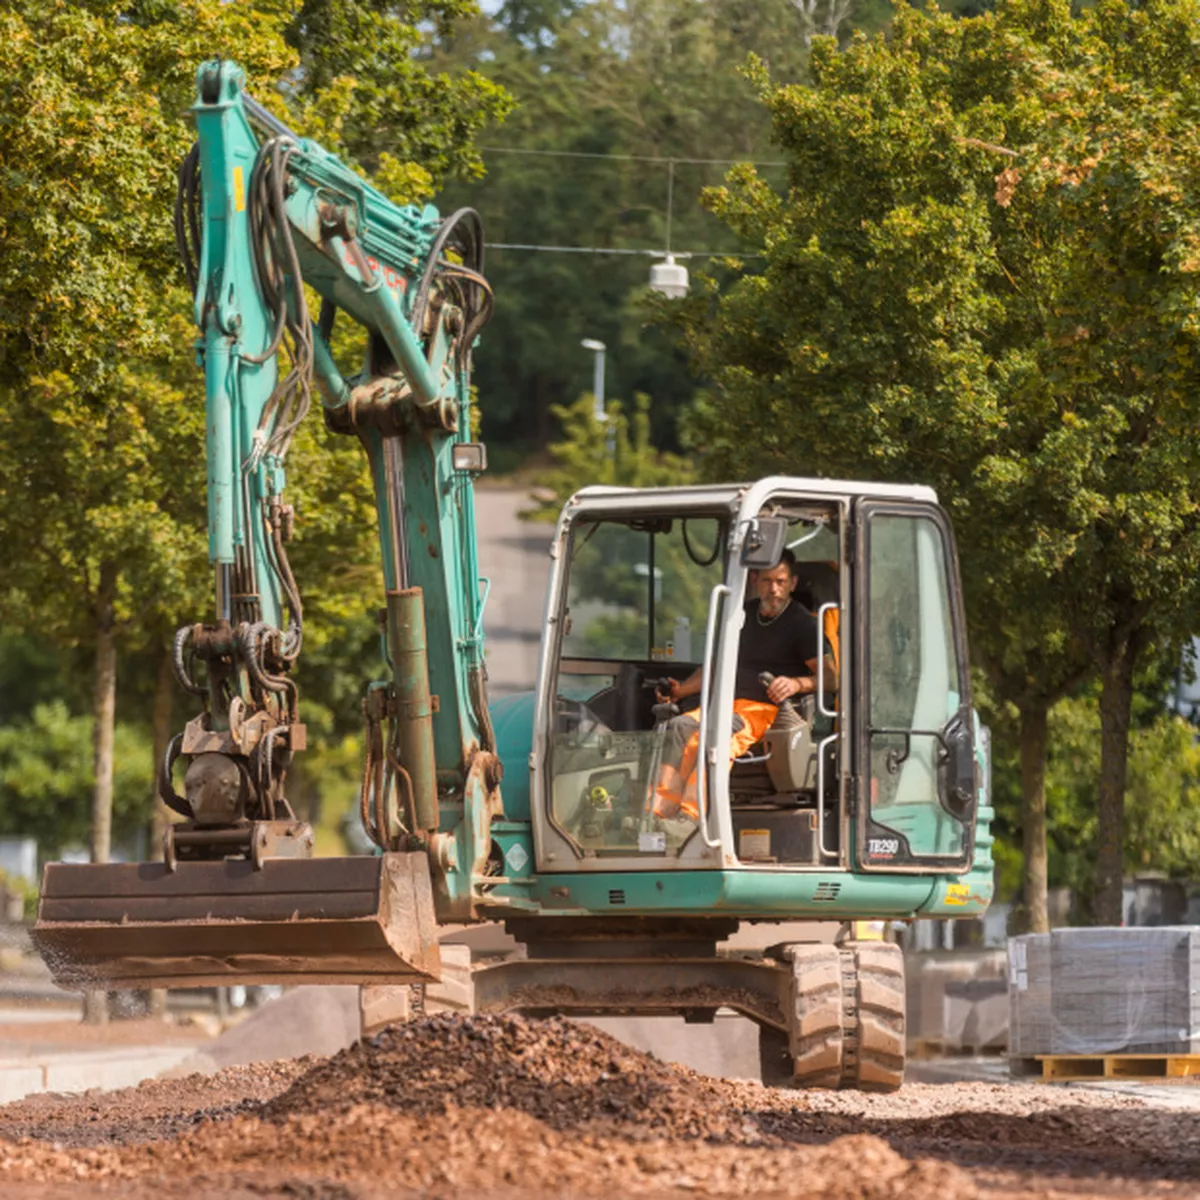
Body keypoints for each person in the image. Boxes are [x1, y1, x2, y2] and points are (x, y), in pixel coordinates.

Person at [652, 549, 833, 822]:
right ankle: (659, 816)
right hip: (727, 704)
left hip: (766, 711)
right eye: (767, 581)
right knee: (679, 728)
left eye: (781, 582)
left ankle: (691, 821)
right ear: (755, 581)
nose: (774, 589)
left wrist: (797, 683)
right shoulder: (741, 616)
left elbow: (832, 678)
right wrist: (682, 691)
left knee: (710, 737)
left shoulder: (803, 626)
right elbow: (716, 666)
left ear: (792, 583)